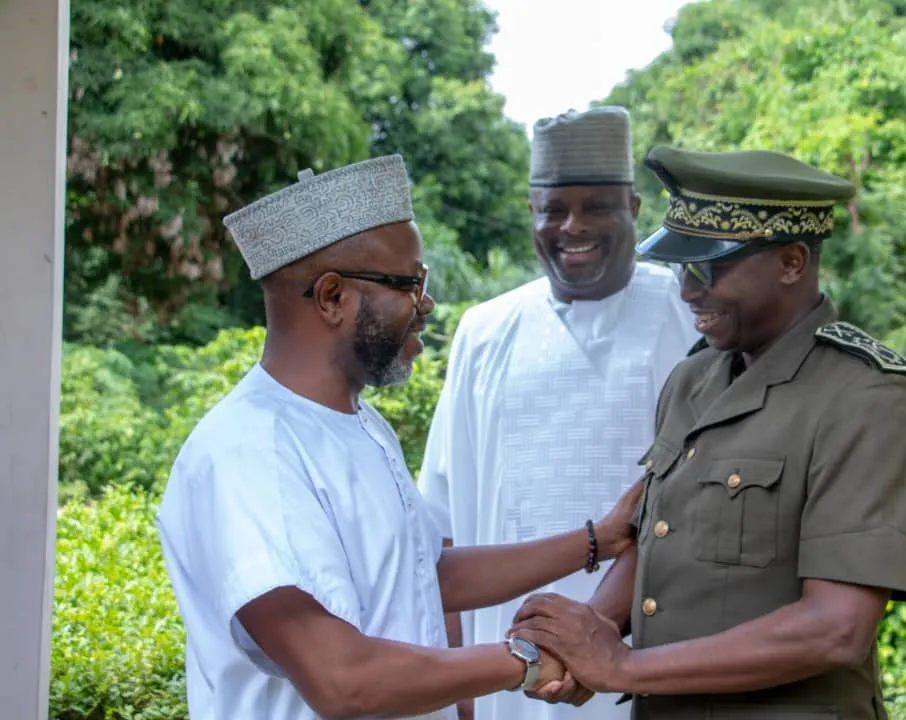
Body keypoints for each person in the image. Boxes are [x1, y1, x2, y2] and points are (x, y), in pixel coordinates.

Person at [154, 154, 644, 720]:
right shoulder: (249, 453)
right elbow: (343, 681)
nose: (426, 305)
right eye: (410, 283)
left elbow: (419, 573)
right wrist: (531, 659)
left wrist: (596, 540)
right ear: (333, 297)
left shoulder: (361, 424)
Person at [509, 145, 906, 720]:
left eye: (711, 268)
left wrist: (622, 667)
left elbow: (837, 627)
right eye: (684, 268)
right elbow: (658, 538)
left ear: (791, 262)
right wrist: (590, 632)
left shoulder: (866, 400)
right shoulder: (694, 379)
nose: (689, 290)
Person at [416, 107, 699, 720]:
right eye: (554, 209)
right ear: (531, 213)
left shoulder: (690, 313)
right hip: (508, 676)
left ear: (633, 210)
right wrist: (457, 688)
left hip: (652, 671)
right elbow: (441, 525)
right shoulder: (484, 331)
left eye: (596, 207)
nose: (574, 226)